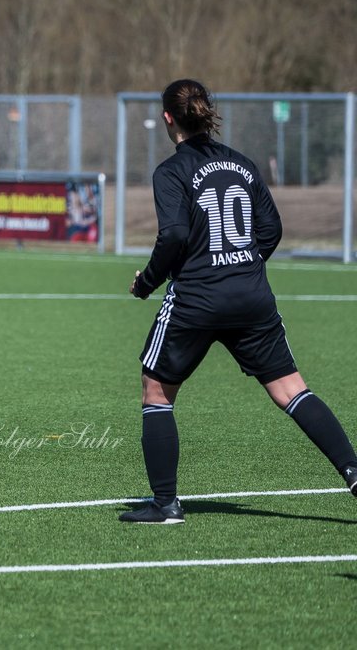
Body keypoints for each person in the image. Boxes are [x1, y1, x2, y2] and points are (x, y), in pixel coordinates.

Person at [122, 78, 357, 523]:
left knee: (157, 390)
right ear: (205, 113)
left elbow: (173, 235)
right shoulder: (243, 165)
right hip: (251, 296)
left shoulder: (171, 172)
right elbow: (271, 229)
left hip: (197, 299)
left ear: (168, 119)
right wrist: (240, 263)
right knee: (292, 389)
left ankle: (165, 503)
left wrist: (147, 282)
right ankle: (354, 473)